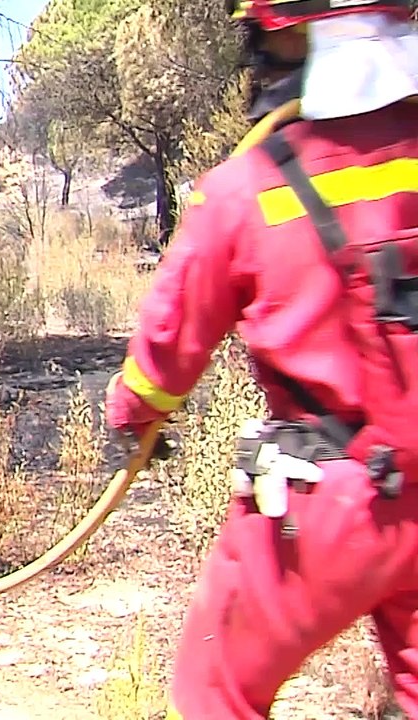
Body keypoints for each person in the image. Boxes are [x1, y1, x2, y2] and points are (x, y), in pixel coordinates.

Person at [102, 1, 418, 717]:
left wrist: (133, 414)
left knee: (217, 692)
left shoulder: (246, 191)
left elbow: (165, 351)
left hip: (325, 506)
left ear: (291, 43)